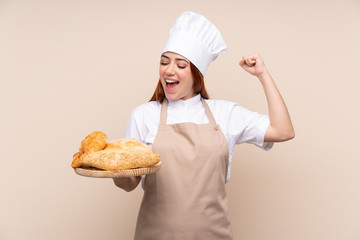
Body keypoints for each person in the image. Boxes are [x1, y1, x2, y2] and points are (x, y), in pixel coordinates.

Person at [113, 11, 294, 239]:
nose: (169, 70)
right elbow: (130, 184)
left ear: (196, 73)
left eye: (181, 65)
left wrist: (262, 74)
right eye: (164, 62)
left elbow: (283, 131)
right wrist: (117, 172)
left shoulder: (224, 113)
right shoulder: (143, 115)